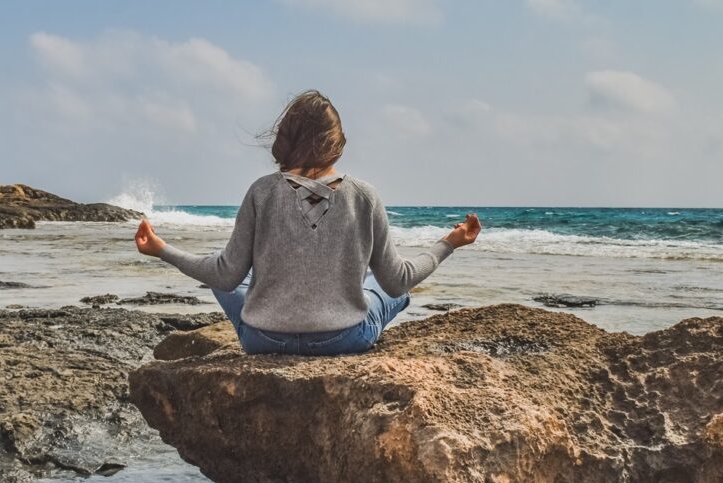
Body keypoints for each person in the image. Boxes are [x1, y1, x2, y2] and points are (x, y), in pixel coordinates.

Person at [134, 90, 480, 356]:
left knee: (224, 269)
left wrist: (162, 249)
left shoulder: (261, 192)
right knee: (384, 286)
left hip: (263, 340)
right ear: (336, 142)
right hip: (344, 339)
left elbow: (225, 275)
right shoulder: (364, 195)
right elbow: (399, 279)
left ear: (286, 138)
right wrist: (449, 243)